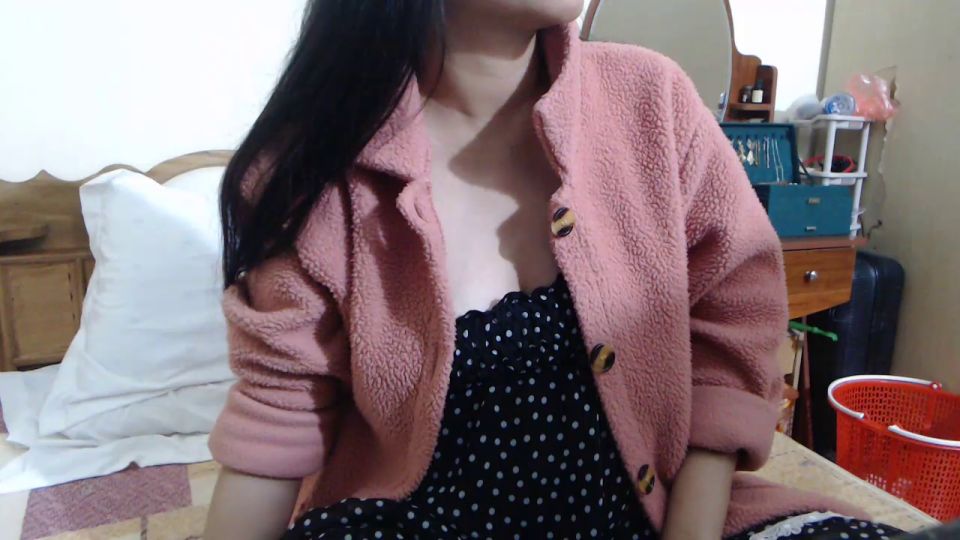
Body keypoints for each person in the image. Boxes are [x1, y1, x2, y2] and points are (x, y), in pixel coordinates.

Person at [204, 1, 899, 539]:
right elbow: (275, 424)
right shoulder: (311, 173)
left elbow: (731, 333)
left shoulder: (653, 102)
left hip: (655, 517)